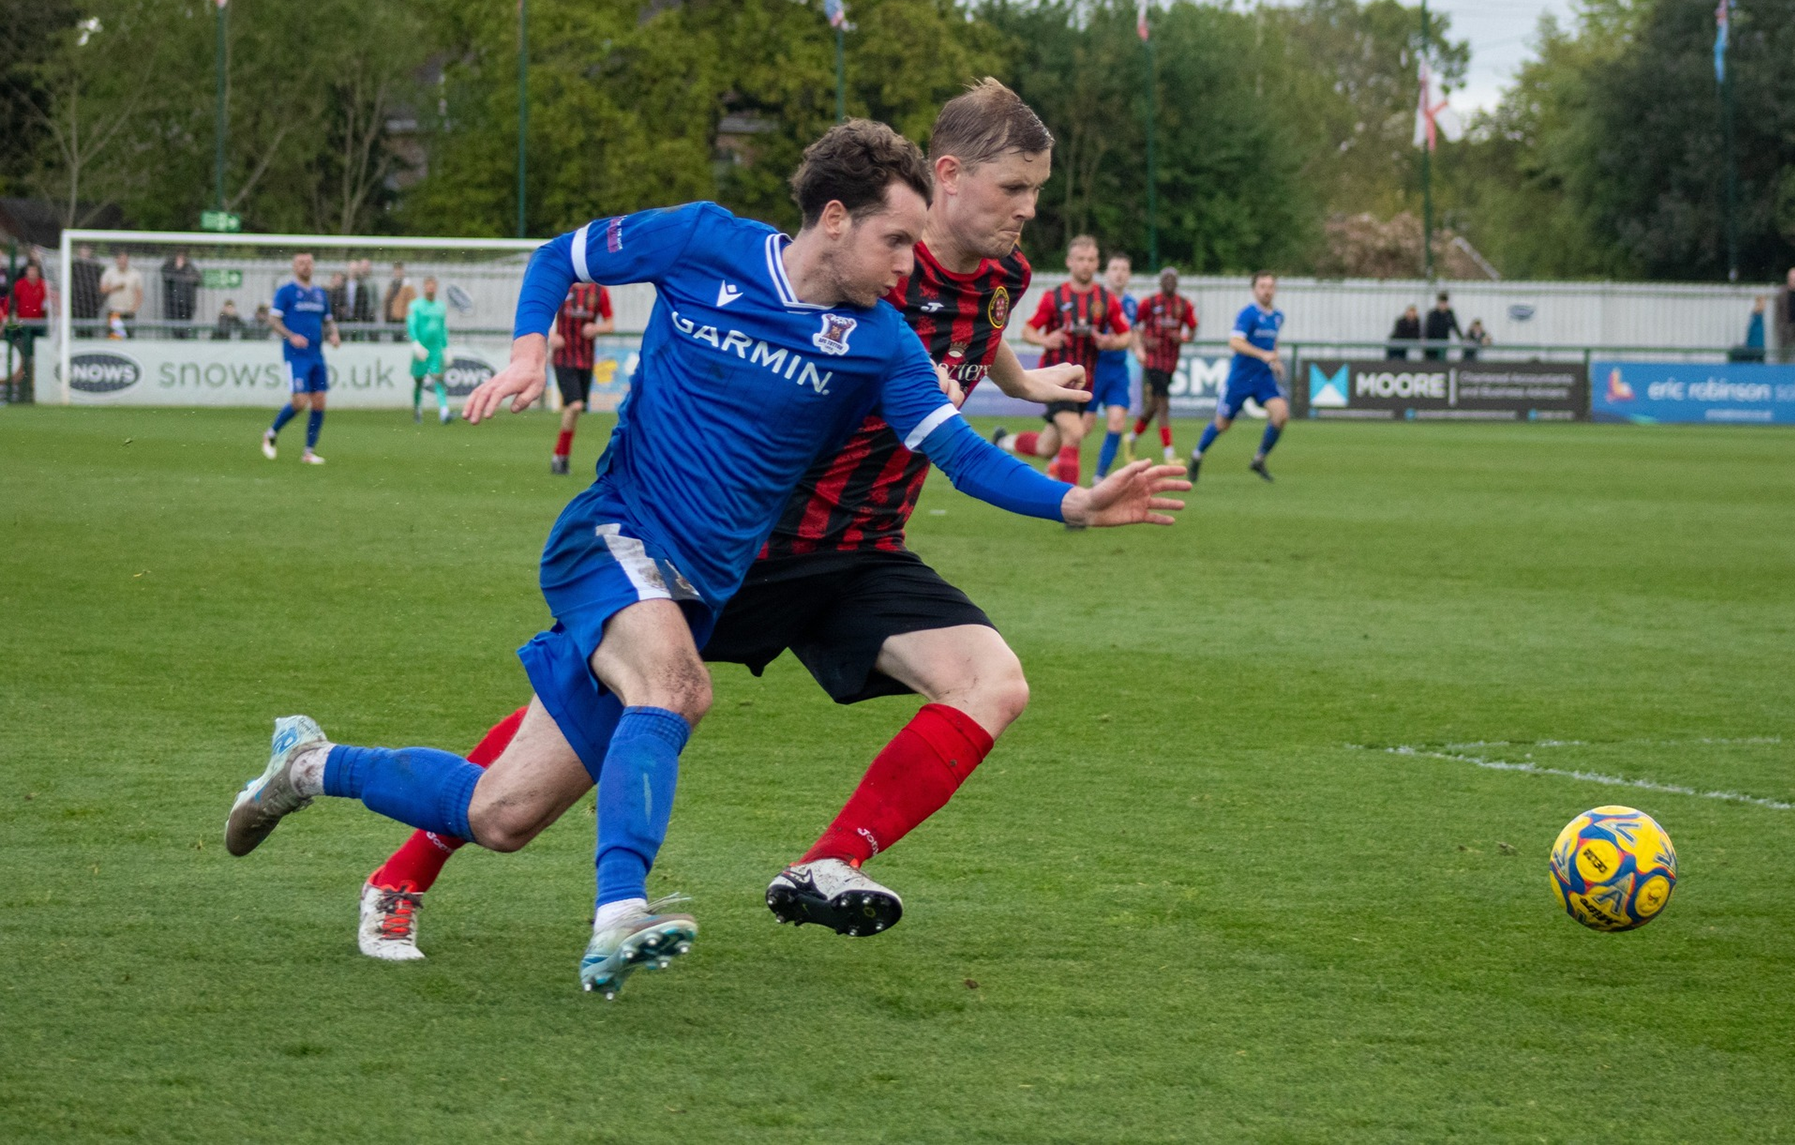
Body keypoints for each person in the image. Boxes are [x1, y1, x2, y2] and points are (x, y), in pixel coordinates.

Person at [224, 119, 1187, 998]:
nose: (911, 258)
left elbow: (957, 446)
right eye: (899, 238)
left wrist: (1072, 500)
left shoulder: (890, 334)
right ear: (847, 217)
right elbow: (565, 254)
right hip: (625, 534)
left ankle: (309, 765)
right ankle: (615, 916)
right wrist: (526, 351)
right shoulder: (703, 241)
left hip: (818, 558)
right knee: (671, 687)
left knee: (505, 813)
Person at [995, 234, 1128, 488]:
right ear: (1069, 262)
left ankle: (1004, 441)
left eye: (1091, 259)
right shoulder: (1054, 297)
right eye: (1080, 259)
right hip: (1056, 381)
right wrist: (1045, 340)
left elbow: (1125, 335)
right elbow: (1028, 331)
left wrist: (1109, 342)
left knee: (1047, 447)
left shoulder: (1105, 299)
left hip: (1084, 383)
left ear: (1097, 263)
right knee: (1075, 433)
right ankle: (1071, 506)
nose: (1086, 264)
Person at [1189, 270, 1288, 484]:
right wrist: (1263, 355)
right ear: (1254, 290)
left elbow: (1273, 344)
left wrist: (1275, 361)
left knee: (1281, 415)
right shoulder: (1248, 314)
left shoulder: (1278, 317)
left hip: (1263, 379)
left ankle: (1259, 459)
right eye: (1262, 286)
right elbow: (1234, 342)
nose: (1267, 291)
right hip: (1241, 379)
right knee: (1222, 424)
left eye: (1270, 286)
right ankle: (1197, 455)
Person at [261, 253, 341, 465]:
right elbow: (273, 320)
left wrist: (334, 333)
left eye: (309, 263)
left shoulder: (319, 294)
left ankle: (308, 452)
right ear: (294, 267)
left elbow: (328, 320)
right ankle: (271, 433)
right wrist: (291, 336)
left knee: (320, 401)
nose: (306, 266)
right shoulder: (286, 292)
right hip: (296, 356)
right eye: (301, 263)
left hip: (316, 354)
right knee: (300, 401)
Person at [1127, 266, 1197, 463]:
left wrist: (1182, 338)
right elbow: (1135, 326)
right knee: (1164, 405)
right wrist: (1143, 341)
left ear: (1177, 282)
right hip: (1153, 360)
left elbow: (1192, 330)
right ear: (1160, 282)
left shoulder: (1184, 305)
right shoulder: (1149, 303)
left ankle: (1131, 437)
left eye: (1172, 279)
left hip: (1170, 361)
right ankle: (1169, 453)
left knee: (1154, 406)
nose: (1169, 282)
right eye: (1166, 279)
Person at [548, 277, 612, 474]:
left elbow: (610, 324)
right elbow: (545, 314)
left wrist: (596, 328)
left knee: (577, 408)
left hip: (585, 359)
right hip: (563, 359)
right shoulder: (561, 287)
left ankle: (562, 457)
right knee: (574, 405)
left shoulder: (599, 292)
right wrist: (552, 336)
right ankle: (559, 456)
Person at [1088, 251, 1138, 484]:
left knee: (1117, 422)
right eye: (1115, 269)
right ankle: (1056, 467)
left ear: (1129, 275)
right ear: (1106, 273)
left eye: (1124, 270)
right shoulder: (1095, 299)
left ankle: (1099, 478)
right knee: (1080, 428)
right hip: (1093, 368)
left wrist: (1138, 350)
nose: (1119, 274)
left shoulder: (1131, 304)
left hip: (1118, 371)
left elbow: (1132, 332)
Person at [407, 275, 451, 424]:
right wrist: (415, 343)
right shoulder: (416, 306)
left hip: (436, 350)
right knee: (419, 381)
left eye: (433, 285)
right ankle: (417, 409)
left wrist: (446, 347)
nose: (431, 288)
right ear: (424, 287)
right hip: (421, 350)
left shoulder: (440, 307)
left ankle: (444, 411)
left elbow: (443, 329)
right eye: (428, 285)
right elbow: (411, 324)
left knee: (439, 379)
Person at [8, 259, 49, 391]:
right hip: (22, 326)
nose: (31, 274)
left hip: (39, 326)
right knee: (20, 356)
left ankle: (35, 384)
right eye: (29, 271)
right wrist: (11, 316)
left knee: (39, 356)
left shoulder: (44, 285)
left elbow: (50, 304)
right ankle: (19, 385)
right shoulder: (20, 285)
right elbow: (10, 303)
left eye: (34, 271)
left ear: (38, 272)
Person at [160, 249, 202, 339]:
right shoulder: (169, 268)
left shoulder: (190, 268)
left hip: (187, 305)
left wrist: (184, 277)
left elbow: (198, 279)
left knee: (186, 328)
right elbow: (166, 275)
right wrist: (178, 270)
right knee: (175, 328)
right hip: (173, 305)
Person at [98, 249, 143, 331]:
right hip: (114, 312)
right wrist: (115, 287)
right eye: (120, 259)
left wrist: (134, 309)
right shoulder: (109, 273)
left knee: (128, 340)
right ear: (116, 260)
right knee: (116, 339)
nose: (122, 261)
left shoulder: (135, 274)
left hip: (128, 313)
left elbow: (139, 294)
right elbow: (102, 290)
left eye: (125, 259)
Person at [70, 244, 104, 335]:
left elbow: (99, 285)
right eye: (83, 249)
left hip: (91, 304)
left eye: (87, 250)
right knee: (78, 329)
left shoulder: (95, 267)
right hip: (77, 304)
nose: (85, 252)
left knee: (90, 330)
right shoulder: (74, 265)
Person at [1424, 291, 1461, 361]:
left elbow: (1455, 327)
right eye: (1441, 303)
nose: (1443, 305)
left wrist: (1462, 338)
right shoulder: (1432, 314)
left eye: (1445, 303)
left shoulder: (1449, 314)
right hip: (1432, 344)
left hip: (1443, 343)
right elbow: (1427, 328)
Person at [384, 262, 416, 342]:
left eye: (399, 270)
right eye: (396, 270)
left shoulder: (407, 285)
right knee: (395, 338)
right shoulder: (392, 284)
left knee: (402, 338)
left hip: (403, 317)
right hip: (393, 317)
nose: (397, 273)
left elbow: (412, 300)